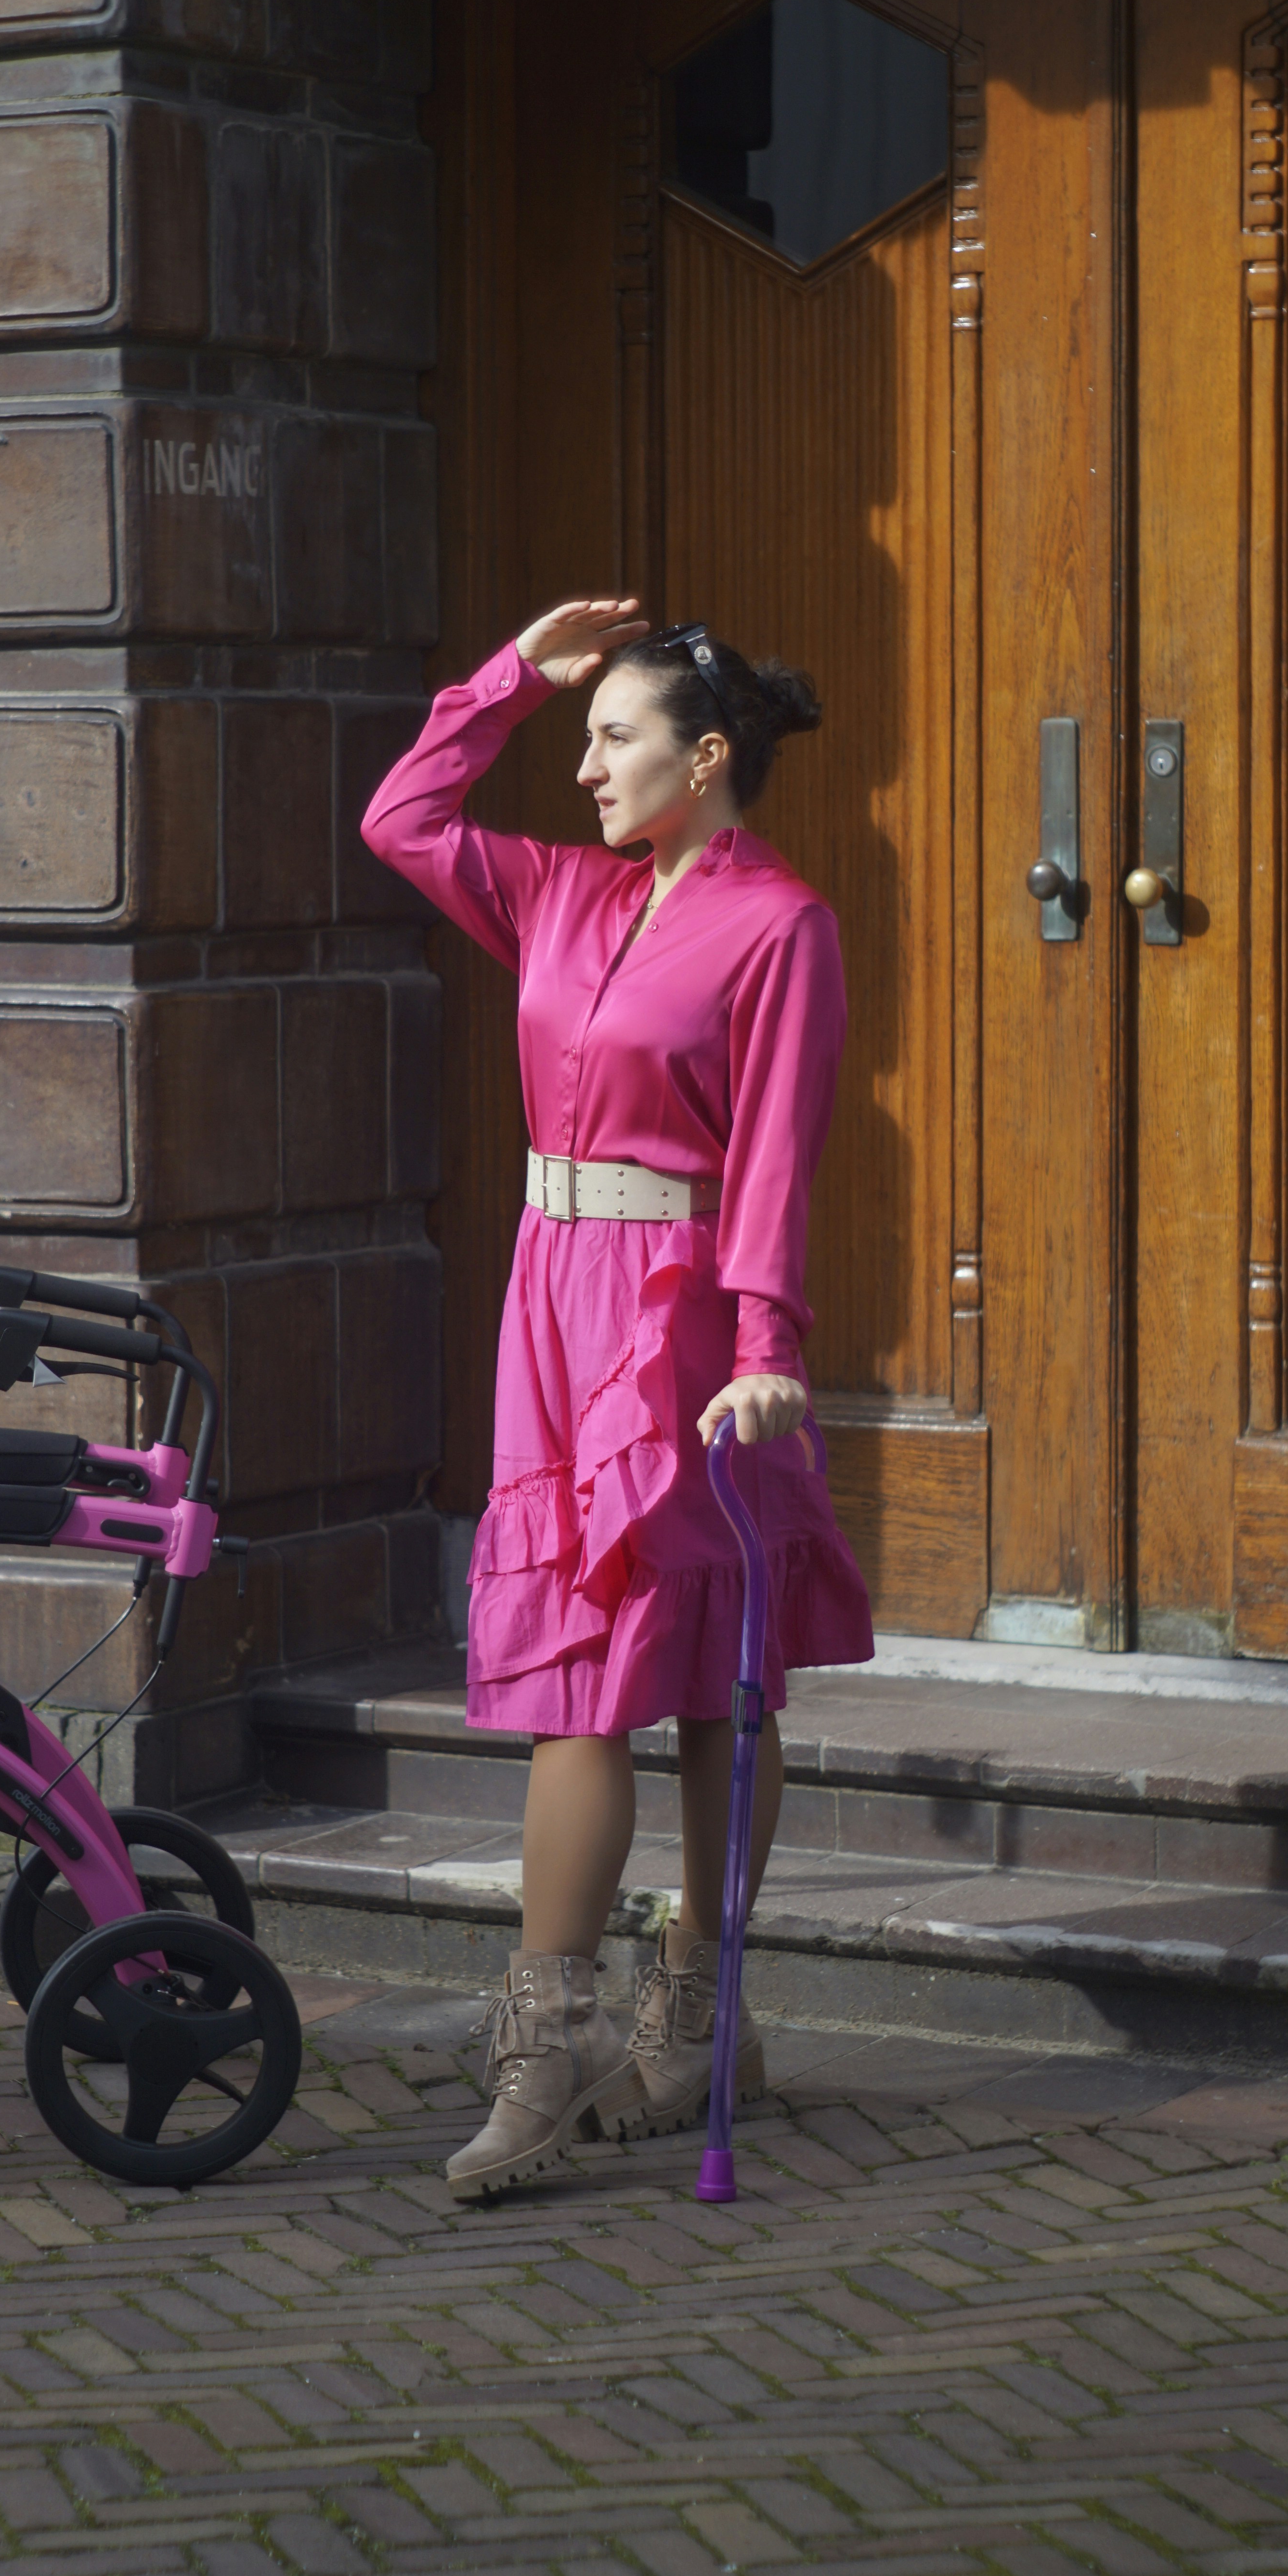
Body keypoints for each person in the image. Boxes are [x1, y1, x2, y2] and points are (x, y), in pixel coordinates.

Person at [361, 598, 874, 2202]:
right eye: (585, 742)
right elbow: (403, 816)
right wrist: (515, 678)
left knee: (715, 1675)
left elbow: (780, 1149)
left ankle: (701, 2016)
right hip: (555, 1306)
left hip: (693, 1318)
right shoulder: (562, 895)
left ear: (706, 759)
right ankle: (553, 2039)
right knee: (579, 1668)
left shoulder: (781, 924)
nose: (584, 769)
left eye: (616, 739)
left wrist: (775, 1337)